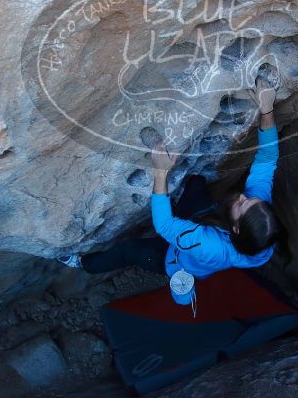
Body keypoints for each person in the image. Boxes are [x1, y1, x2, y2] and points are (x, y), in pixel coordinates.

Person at [59, 78, 282, 307]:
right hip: (207, 222)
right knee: (196, 183)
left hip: (171, 258)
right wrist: (267, 110)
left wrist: (160, 172)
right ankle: (177, 202)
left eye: (242, 205)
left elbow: (164, 225)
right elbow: (267, 161)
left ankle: (83, 263)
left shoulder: (211, 246)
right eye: (251, 199)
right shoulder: (259, 227)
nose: (243, 196)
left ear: (236, 229)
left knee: (130, 251)